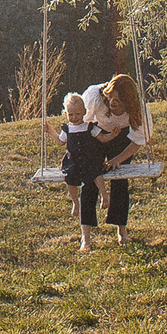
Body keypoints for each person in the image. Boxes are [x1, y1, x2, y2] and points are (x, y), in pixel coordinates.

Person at [86, 70, 153, 243]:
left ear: (128, 103)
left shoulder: (139, 109)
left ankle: (121, 231)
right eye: (110, 98)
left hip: (122, 137)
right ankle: (86, 236)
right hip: (96, 133)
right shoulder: (96, 97)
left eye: (117, 101)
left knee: (120, 178)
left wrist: (118, 159)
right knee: (91, 177)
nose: (111, 103)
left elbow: (138, 139)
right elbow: (81, 125)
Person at [52, 91, 118, 252]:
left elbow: (102, 138)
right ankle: (75, 203)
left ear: (84, 113)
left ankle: (105, 197)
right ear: (66, 114)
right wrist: (50, 131)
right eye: (70, 114)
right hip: (73, 160)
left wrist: (113, 135)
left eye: (77, 114)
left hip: (88, 158)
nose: (74, 117)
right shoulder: (67, 128)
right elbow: (60, 142)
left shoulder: (89, 126)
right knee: (70, 178)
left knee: (95, 172)